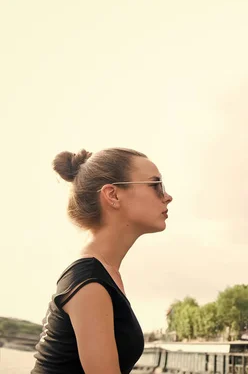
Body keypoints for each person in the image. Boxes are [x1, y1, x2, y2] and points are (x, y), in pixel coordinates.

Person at [31, 148, 173, 374]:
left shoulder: (102, 274)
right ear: (113, 195)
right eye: (155, 185)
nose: (167, 196)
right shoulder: (90, 282)